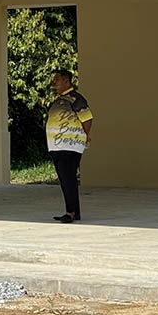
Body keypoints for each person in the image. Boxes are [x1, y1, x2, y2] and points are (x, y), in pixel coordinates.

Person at [45, 70, 93, 223]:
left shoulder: (75, 98)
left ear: (67, 81)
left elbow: (87, 118)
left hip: (69, 146)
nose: (54, 83)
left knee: (68, 179)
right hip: (57, 146)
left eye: (57, 79)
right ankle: (74, 211)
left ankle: (70, 212)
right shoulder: (59, 100)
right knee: (66, 179)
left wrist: (85, 135)